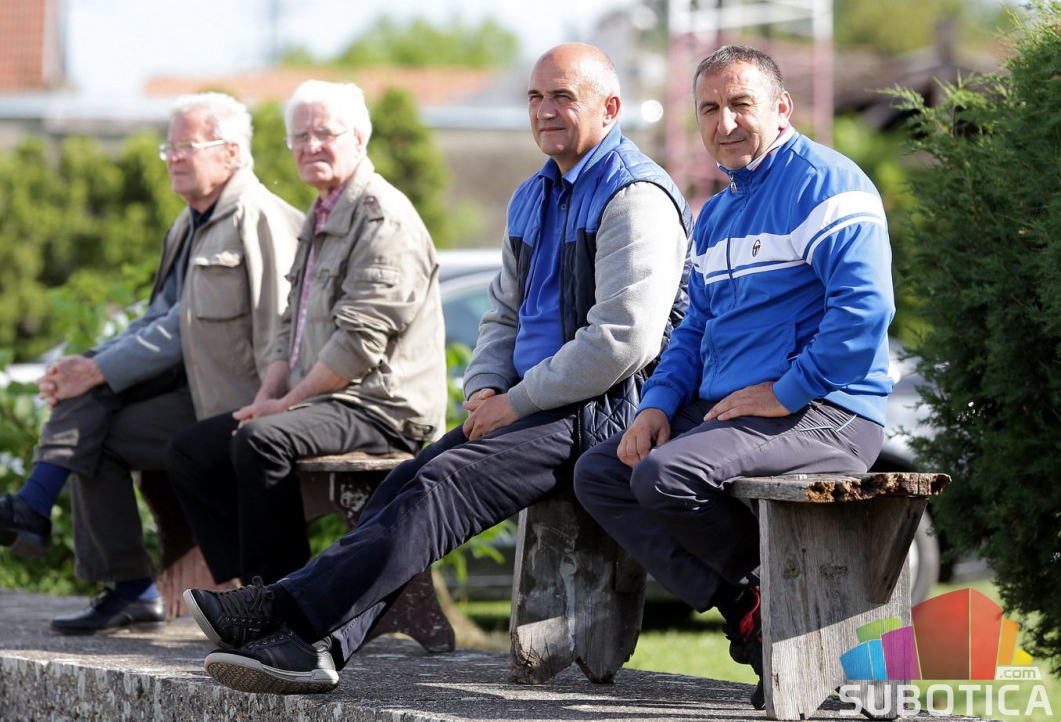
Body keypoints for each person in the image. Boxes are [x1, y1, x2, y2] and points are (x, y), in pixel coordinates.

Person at [181, 42, 694, 695]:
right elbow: (502, 313)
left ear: (610, 108)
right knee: (406, 482)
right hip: (539, 402)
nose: (544, 110)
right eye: (535, 97)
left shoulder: (634, 194)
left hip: (609, 409)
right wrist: (485, 385)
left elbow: (622, 342)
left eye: (563, 96)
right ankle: (318, 649)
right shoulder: (534, 194)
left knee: (442, 484)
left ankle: (284, 612)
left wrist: (516, 401)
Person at [573, 44, 896, 709]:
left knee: (664, 476)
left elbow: (864, 312)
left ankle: (781, 614)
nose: (724, 123)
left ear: (781, 108)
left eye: (740, 104)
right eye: (709, 108)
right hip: (740, 411)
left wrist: (787, 390)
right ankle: (751, 610)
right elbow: (694, 329)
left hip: (829, 410)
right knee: (601, 471)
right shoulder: (717, 213)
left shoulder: (828, 185)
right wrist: (656, 405)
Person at [0, 92, 303, 634]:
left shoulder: (260, 217)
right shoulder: (189, 223)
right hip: (190, 397)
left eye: (187, 146)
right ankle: (125, 586)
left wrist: (98, 370)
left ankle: (36, 510)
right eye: (168, 148)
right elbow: (157, 317)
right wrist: (88, 363)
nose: (173, 158)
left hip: (240, 403)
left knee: (91, 406)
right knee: (91, 422)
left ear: (229, 152)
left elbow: (262, 327)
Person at [165, 80, 447, 588]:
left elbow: (359, 344)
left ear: (358, 138)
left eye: (324, 134)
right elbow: (288, 327)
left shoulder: (383, 217)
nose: (310, 146)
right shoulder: (320, 213)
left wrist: (285, 404)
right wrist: (268, 397)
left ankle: (284, 598)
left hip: (380, 406)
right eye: (299, 137)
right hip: (324, 401)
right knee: (192, 449)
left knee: (260, 441)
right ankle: (247, 588)